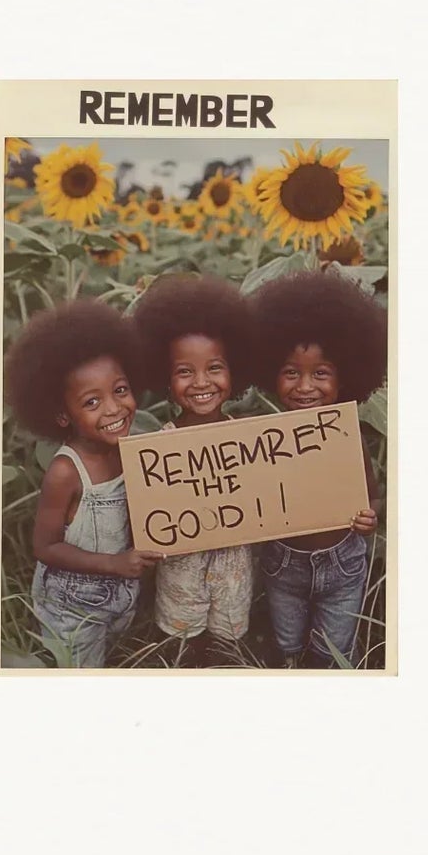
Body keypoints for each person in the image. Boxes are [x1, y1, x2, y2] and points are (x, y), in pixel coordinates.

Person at [3, 299, 153, 668]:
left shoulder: (129, 450)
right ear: (61, 414)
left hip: (120, 597)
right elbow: (45, 546)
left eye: (120, 390)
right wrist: (115, 563)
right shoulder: (66, 472)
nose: (114, 409)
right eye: (92, 402)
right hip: (71, 609)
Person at [249, 270, 387, 667]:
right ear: (272, 372)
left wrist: (369, 516)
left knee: (334, 650)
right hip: (283, 564)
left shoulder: (348, 437)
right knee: (287, 644)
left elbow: (372, 495)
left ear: (346, 376)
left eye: (320, 374)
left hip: (342, 565)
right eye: (291, 372)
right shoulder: (266, 440)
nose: (305, 386)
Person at [131, 274, 256, 665]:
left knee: (228, 650)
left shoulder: (252, 440)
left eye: (214, 368)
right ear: (164, 380)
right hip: (179, 579)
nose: (201, 382)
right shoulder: (157, 450)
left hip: (234, 575)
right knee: (179, 650)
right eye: (185, 371)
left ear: (234, 371)